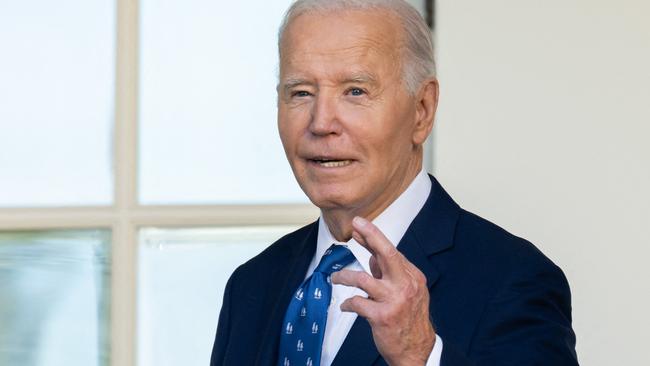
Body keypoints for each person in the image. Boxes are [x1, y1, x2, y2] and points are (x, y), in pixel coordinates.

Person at [210, 1, 578, 365]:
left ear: (422, 110)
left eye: (355, 91)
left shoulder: (513, 278)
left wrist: (420, 356)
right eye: (301, 92)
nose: (321, 123)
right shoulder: (251, 284)